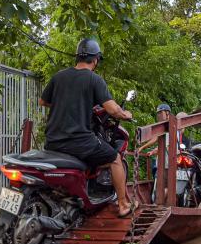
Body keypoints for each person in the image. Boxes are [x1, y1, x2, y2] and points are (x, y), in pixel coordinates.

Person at [39, 38, 134, 217]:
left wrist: (65, 104)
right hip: (78, 142)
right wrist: (125, 114)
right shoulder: (94, 79)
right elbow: (112, 109)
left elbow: (43, 101)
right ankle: (123, 204)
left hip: (52, 141)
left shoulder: (59, 77)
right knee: (114, 158)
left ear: (78, 57)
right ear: (95, 60)